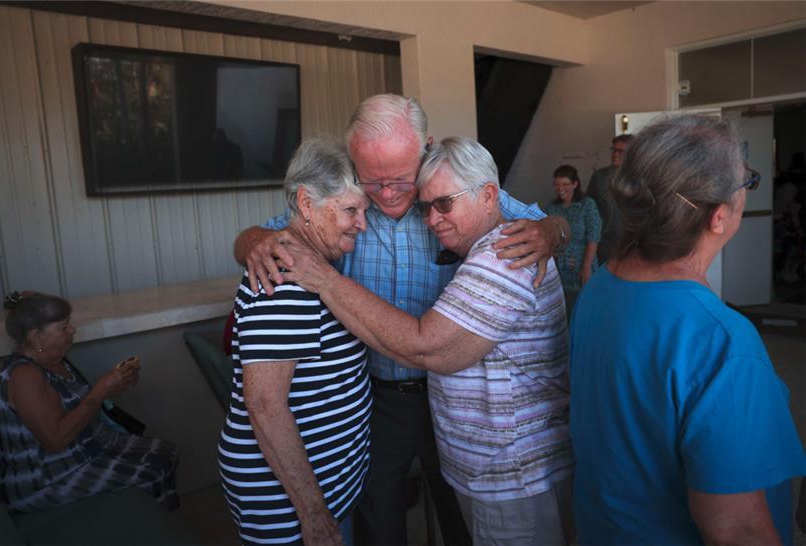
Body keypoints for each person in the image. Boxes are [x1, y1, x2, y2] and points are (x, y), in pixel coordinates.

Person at [233, 94, 568, 545]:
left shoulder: (449, 194)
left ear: (425, 150)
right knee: (380, 521)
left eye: (400, 181)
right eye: (373, 184)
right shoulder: (343, 203)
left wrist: (553, 231)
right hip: (376, 398)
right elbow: (278, 233)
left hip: (451, 395)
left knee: (463, 517)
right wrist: (252, 241)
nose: (387, 195)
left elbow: (535, 222)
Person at [569, 115, 806, 545]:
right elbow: (735, 529)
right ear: (718, 217)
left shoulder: (601, 285)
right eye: (746, 182)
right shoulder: (723, 342)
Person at [218, 138, 372, 545]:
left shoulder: (311, 265)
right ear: (306, 204)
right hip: (287, 502)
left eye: (364, 210)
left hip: (323, 485)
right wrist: (314, 514)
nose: (362, 224)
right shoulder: (287, 279)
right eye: (351, 210)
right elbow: (266, 405)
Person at [0, 293, 179, 513]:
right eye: (63, 327)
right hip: (45, 477)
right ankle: (148, 530)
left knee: (166, 452)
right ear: (36, 338)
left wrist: (114, 388)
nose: (72, 330)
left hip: (82, 451)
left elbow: (76, 406)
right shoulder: (24, 376)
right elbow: (56, 440)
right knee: (151, 471)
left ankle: (158, 526)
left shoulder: (56, 361)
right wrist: (99, 393)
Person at [544, 165, 601, 309]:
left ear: (575, 184)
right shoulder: (551, 207)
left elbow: (593, 236)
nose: (560, 188)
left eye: (565, 184)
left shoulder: (587, 205)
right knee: (561, 305)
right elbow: (547, 237)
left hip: (583, 264)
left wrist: (586, 266)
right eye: (557, 184)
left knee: (584, 304)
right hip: (560, 266)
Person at [585, 133, 634, 264]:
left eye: (620, 151)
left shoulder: (640, 177)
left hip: (633, 243)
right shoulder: (599, 177)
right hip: (604, 243)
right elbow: (588, 208)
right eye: (613, 150)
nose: (615, 154)